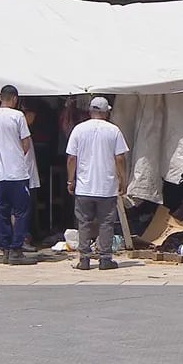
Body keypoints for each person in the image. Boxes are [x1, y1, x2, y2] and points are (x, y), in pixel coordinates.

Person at [66, 97, 129, 271]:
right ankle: (105, 259)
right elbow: (120, 158)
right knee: (106, 223)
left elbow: (72, 158)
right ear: (106, 112)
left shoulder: (78, 130)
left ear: (90, 111)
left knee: (84, 223)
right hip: (106, 187)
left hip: (84, 186)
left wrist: (71, 180)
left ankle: (84, 259)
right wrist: (123, 180)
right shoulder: (114, 131)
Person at [0, 85, 37, 266]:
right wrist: (18, 157)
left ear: (0, 97)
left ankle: (6, 248)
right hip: (17, 172)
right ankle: (16, 249)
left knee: (3, 212)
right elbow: (25, 143)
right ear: (15, 99)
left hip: (1, 173)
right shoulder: (18, 116)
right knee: (22, 212)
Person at [21, 104, 41, 253]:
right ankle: (22, 238)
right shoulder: (20, 132)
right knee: (23, 209)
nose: (33, 118)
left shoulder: (27, 132)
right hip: (23, 176)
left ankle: (26, 237)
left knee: (28, 209)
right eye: (31, 114)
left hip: (30, 176)